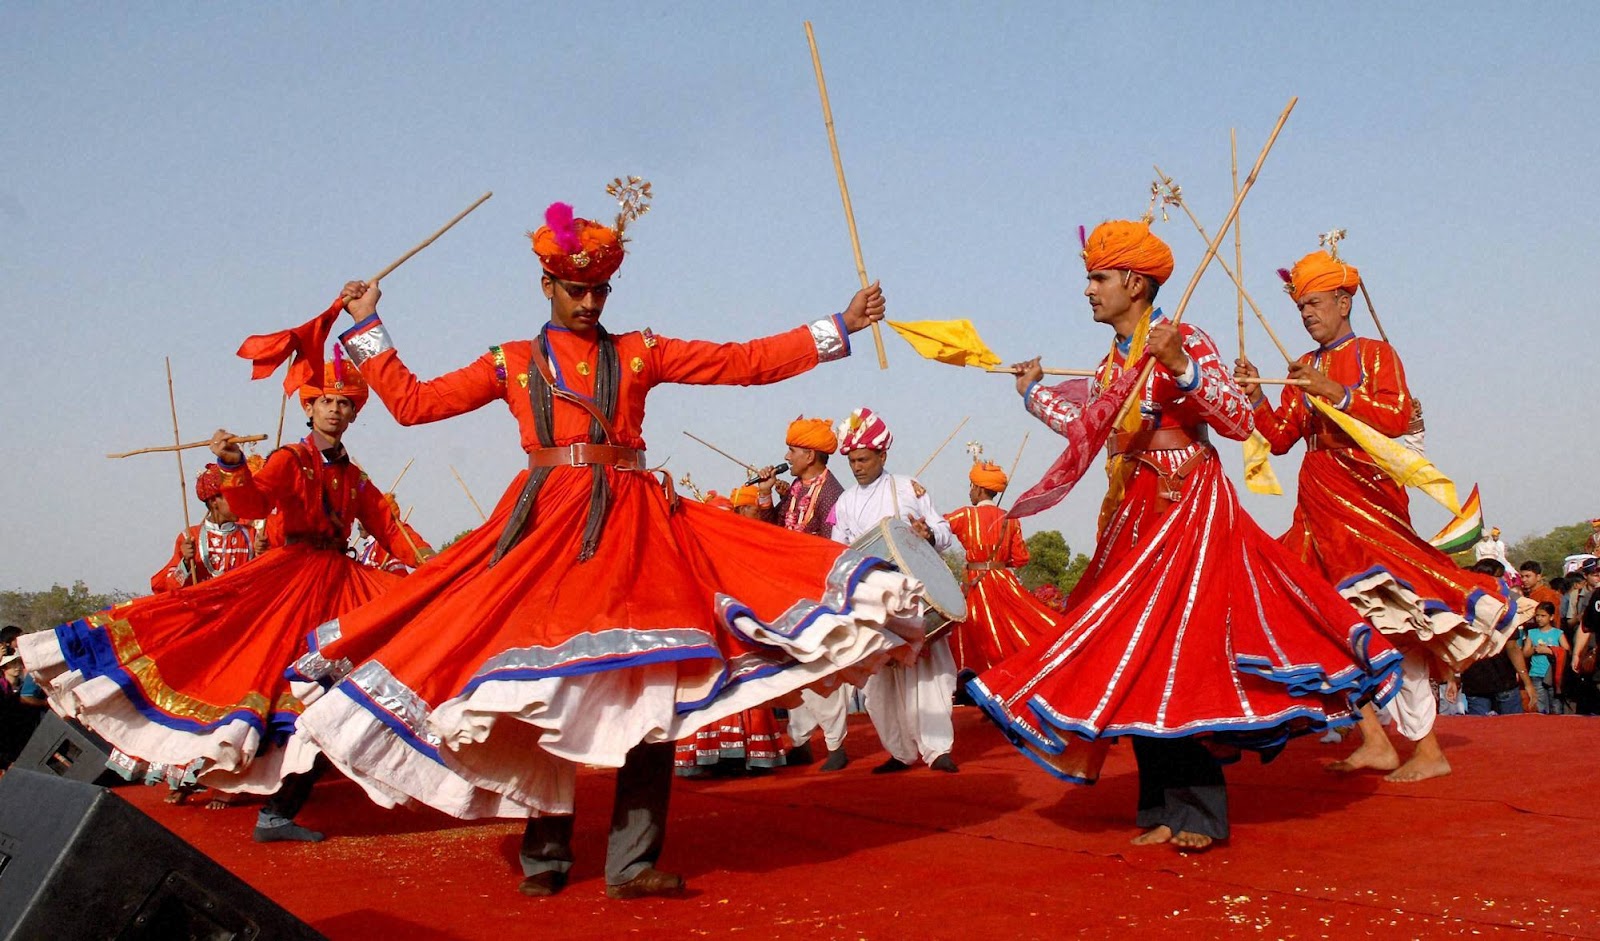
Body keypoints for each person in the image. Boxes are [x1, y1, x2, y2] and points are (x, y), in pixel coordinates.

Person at [284, 194, 920, 900]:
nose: (589, 302)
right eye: (575, 289)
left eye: (600, 290)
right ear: (547, 285)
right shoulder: (513, 362)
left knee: (655, 677)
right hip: (543, 528)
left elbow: (741, 362)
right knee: (539, 685)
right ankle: (545, 854)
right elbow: (413, 404)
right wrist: (369, 323)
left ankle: (633, 861)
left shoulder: (638, 352)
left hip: (637, 528)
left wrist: (838, 327)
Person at [972, 220, 1400, 851]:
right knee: (1136, 651)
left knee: (1187, 648)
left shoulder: (1187, 338)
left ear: (1133, 281)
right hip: (1135, 507)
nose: (1087, 289)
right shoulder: (1113, 359)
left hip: (1188, 503)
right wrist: (1033, 393)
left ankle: (1198, 812)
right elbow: (1090, 427)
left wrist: (1182, 368)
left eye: (1097, 277)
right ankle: (1160, 810)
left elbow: (1233, 420)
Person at [19, 360, 431, 843]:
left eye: (345, 403)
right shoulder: (288, 460)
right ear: (310, 406)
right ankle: (270, 806)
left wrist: (439, 566)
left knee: (352, 681)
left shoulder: (355, 479)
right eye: (326, 401)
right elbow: (254, 506)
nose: (336, 410)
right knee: (266, 673)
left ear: (355, 414)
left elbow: (391, 528)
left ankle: (280, 808)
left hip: (339, 583)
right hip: (291, 581)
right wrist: (234, 466)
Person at [1236, 248, 1534, 783]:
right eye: (1301, 306)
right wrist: (1258, 393)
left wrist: (1334, 392)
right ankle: (1375, 738)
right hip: (1317, 504)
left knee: (1392, 619)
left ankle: (1425, 748)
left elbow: (1395, 417)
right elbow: (1281, 440)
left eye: (1315, 303)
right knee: (1325, 621)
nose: (1306, 314)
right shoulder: (1303, 365)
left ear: (1344, 301)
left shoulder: (1375, 353)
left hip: (1366, 501)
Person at [831, 407, 960, 774]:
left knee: (927, 671)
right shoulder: (845, 502)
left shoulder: (908, 487)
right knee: (879, 682)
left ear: (882, 456)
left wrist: (928, 534)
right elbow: (837, 549)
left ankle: (938, 750)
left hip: (913, 595)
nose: (856, 467)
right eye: (852, 460)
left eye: (863, 459)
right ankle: (901, 751)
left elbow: (942, 529)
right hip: (871, 599)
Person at [755, 417, 851, 770]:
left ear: (810, 454)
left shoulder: (831, 494)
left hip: (817, 590)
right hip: (788, 589)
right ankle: (800, 741)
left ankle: (835, 744)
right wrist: (765, 492)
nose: (787, 455)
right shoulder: (794, 489)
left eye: (793, 450)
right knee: (791, 666)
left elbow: (831, 548)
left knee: (821, 667)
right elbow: (773, 532)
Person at [942, 459, 1055, 677]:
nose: (970, 492)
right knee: (1017, 627)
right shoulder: (1010, 519)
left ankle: (976, 677)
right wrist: (1000, 564)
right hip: (1005, 583)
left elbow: (937, 527)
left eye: (971, 486)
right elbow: (1021, 558)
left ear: (978, 488)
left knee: (973, 629)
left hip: (976, 583)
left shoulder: (966, 515)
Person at [151, 464, 261, 593]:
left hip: (240, 609)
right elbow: (169, 586)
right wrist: (186, 562)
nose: (240, 502)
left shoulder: (253, 535)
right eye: (233, 497)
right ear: (214, 500)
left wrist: (262, 553)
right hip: (203, 610)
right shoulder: (190, 537)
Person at [1519, 602, 1566, 714]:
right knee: (1540, 706)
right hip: (1536, 674)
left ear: (1551, 617)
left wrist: (1549, 650)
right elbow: (1525, 653)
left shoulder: (1557, 633)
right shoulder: (1532, 633)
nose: (1539, 619)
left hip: (1553, 675)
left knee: (1556, 705)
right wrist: (1535, 649)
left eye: (1543, 616)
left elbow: (1566, 651)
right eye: (1537, 615)